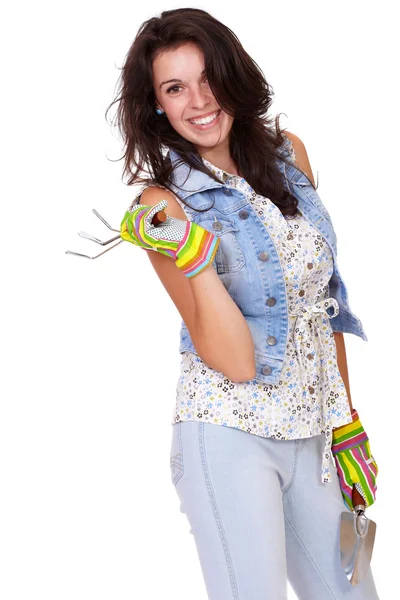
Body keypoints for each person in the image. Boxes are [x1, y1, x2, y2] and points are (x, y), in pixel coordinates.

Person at [109, 8, 380, 599]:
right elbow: (234, 361)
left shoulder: (290, 156)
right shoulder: (164, 206)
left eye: (209, 79)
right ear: (156, 104)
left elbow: (322, 298)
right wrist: (194, 256)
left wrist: (347, 421)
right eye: (174, 88)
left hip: (313, 434)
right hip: (230, 436)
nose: (198, 101)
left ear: (234, 76)